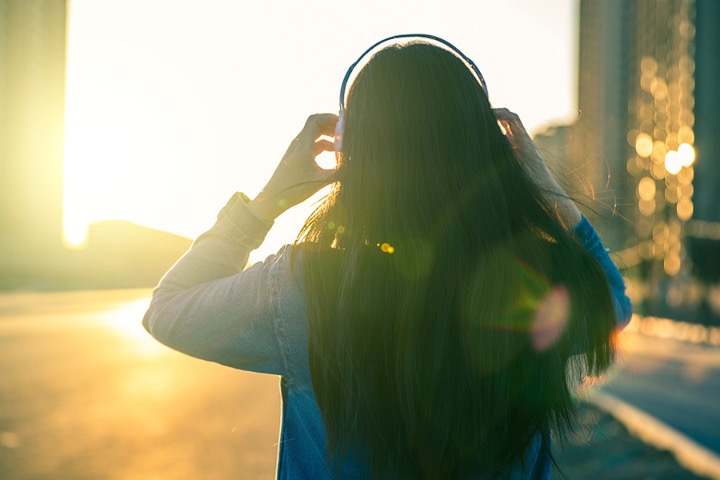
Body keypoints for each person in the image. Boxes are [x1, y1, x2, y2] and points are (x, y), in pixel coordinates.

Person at [143, 36, 632, 480]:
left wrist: (268, 200)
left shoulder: (302, 286)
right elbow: (613, 302)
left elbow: (168, 309)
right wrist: (549, 193)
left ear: (351, 153)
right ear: (486, 149)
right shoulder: (533, 281)